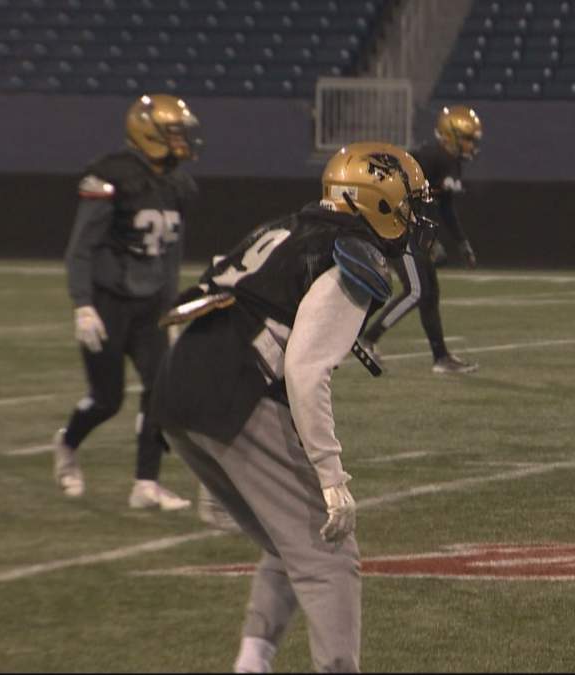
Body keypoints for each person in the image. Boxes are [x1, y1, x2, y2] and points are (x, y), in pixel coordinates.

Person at [152, 142, 435, 672]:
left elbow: (196, 303)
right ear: (376, 200)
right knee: (331, 552)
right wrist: (331, 475)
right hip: (236, 390)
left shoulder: (284, 227)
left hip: (179, 386)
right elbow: (306, 371)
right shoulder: (352, 252)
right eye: (406, 204)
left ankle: (252, 663)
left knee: (288, 542)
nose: (412, 217)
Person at [53, 94, 200, 510]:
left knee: (160, 390)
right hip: (108, 301)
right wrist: (83, 304)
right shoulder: (112, 175)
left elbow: (171, 253)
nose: (183, 140)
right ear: (149, 134)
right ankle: (67, 444)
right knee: (107, 399)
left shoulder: (177, 185)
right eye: (174, 133)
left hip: (150, 304)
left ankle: (145, 484)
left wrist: (170, 308)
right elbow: (81, 247)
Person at [359, 105, 482, 374]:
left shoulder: (450, 162)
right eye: (468, 139)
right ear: (451, 136)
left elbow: (446, 208)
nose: (472, 145)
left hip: (411, 228)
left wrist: (462, 243)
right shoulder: (428, 157)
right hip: (396, 226)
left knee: (429, 293)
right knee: (416, 291)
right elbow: (397, 193)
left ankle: (441, 358)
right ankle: (367, 339)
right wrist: (425, 236)